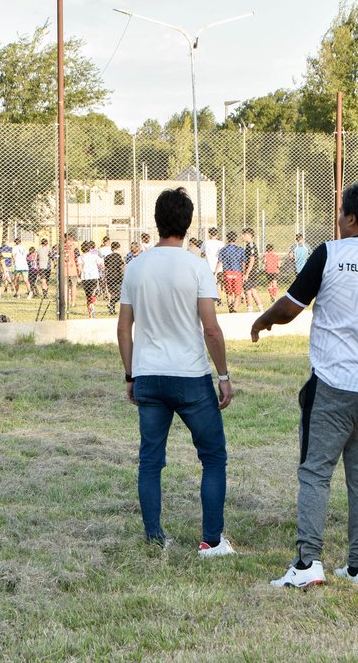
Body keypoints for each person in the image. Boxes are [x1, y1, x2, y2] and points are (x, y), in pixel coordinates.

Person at [253, 183, 358, 588]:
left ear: (352, 218)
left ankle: (308, 564)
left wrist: (263, 320)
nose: (338, 218)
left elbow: (291, 305)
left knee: (315, 472)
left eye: (341, 212)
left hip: (333, 381)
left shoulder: (331, 253)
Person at [117, 187, 235, 556]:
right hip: (191, 376)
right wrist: (224, 375)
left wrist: (130, 375)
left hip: (149, 374)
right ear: (188, 224)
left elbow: (124, 328)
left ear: (156, 221)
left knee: (151, 460)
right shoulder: (197, 266)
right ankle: (211, 540)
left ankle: (155, 537)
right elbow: (211, 329)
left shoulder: (135, 266)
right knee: (213, 457)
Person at [217, 232, 245, 313]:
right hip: (237, 272)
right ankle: (235, 310)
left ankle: (230, 309)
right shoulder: (240, 249)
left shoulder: (223, 249)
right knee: (238, 293)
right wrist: (243, 273)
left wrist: (215, 273)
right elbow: (243, 263)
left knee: (229, 293)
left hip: (227, 272)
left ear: (227, 239)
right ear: (235, 239)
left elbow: (220, 262)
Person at [241, 228, 264, 312]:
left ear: (250, 235)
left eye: (244, 235)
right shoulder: (248, 245)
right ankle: (260, 309)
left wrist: (247, 273)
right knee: (253, 291)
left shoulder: (251, 245)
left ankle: (250, 310)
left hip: (251, 271)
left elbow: (252, 259)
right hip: (251, 271)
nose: (242, 236)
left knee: (248, 291)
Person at [80, 240, 102, 318]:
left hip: (85, 277)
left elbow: (80, 267)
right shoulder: (94, 255)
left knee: (88, 295)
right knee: (94, 290)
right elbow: (101, 264)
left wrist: (79, 276)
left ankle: (90, 311)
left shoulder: (81, 257)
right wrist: (101, 267)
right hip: (94, 276)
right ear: (89, 248)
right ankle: (93, 299)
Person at [104, 241, 125, 315]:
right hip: (117, 276)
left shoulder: (107, 256)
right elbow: (122, 266)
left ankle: (112, 307)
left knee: (113, 293)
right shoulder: (119, 256)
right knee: (120, 293)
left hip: (110, 276)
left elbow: (105, 267)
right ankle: (111, 304)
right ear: (118, 248)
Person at [62, 232, 80, 309]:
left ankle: (65, 302)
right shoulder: (74, 247)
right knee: (74, 286)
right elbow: (77, 258)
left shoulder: (62, 246)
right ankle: (73, 302)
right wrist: (78, 268)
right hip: (73, 268)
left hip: (64, 268)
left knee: (65, 286)